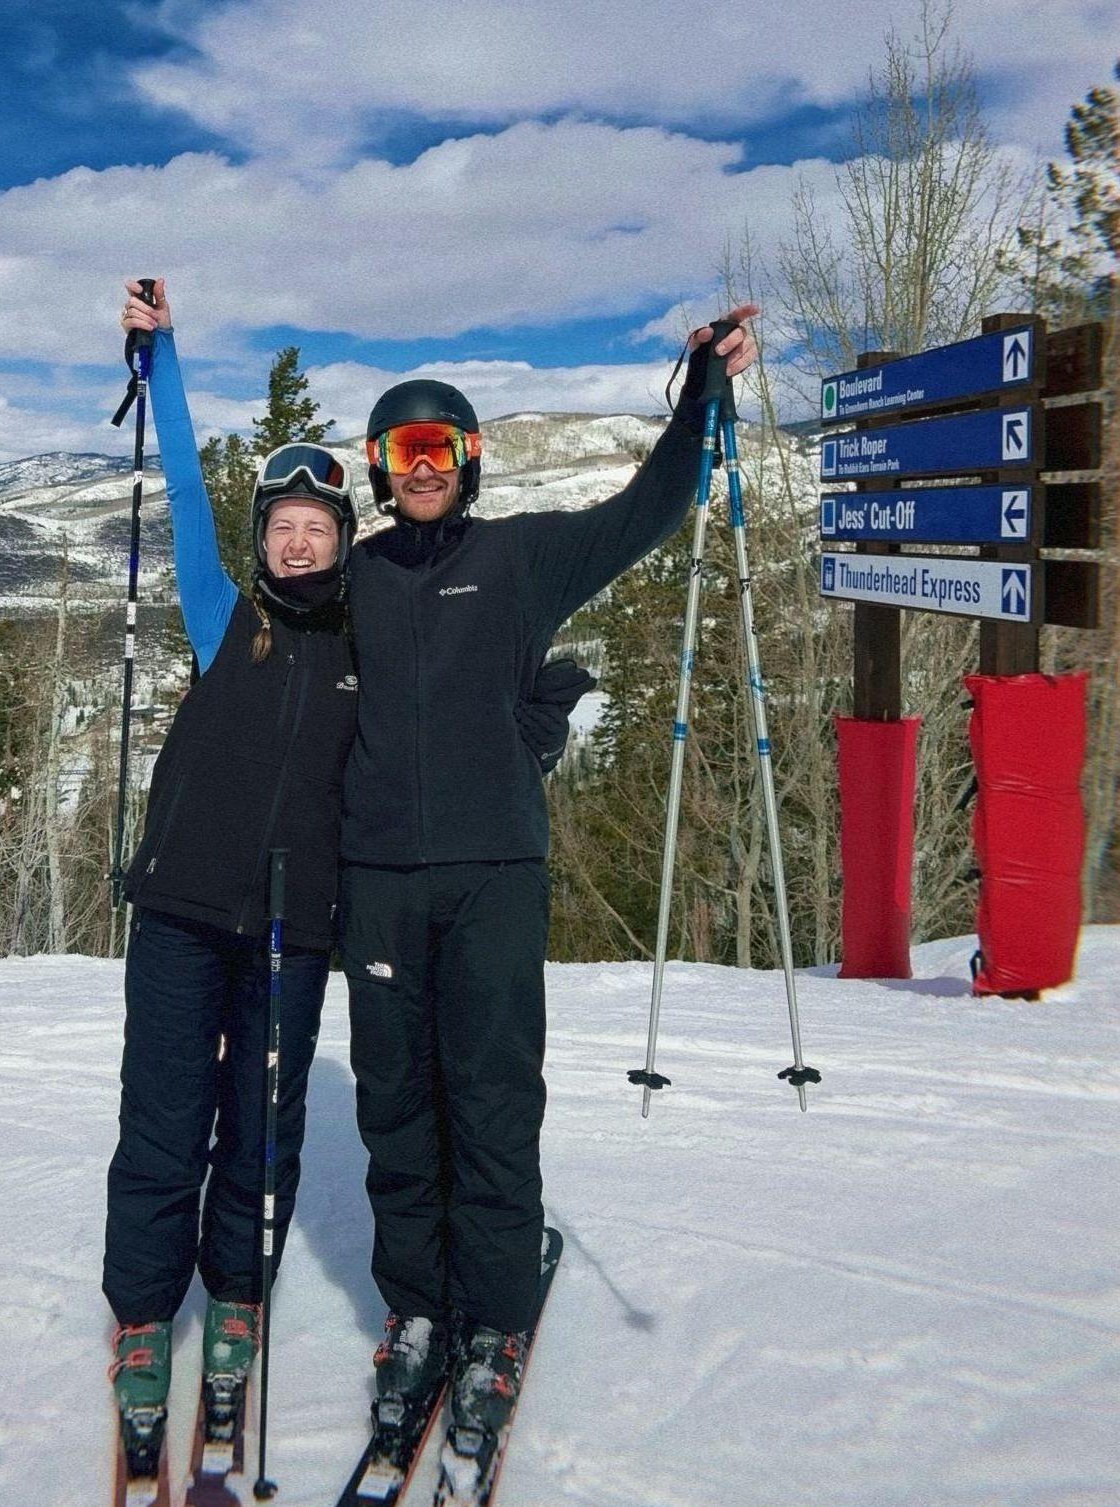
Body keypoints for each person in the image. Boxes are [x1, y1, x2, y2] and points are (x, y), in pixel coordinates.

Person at [339, 311, 761, 1444]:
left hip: (493, 874)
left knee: (487, 1093)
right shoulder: (355, 578)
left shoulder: (519, 559)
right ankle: (419, 1310)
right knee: (393, 1102)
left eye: (439, 449)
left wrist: (700, 398)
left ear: (468, 462)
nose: (421, 469)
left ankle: (492, 1317)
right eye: (401, 453)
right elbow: (260, 647)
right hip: (376, 879)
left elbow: (644, 514)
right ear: (379, 473)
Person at [102, 278, 359, 1456]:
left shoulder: (373, 645)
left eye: (316, 526)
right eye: (281, 525)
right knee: (162, 1120)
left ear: (341, 541)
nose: (295, 539)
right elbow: (193, 493)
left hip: (292, 927)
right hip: (179, 915)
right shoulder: (223, 616)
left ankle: (240, 1298)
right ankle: (146, 1317)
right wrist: (163, 359)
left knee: (263, 1129)